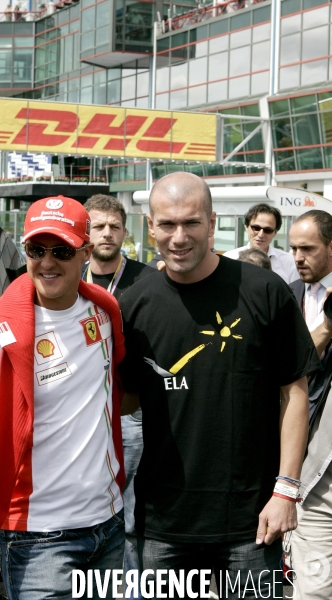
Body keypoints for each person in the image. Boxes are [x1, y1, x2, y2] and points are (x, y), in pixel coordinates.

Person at [119, 172, 320, 599]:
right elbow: (126, 399)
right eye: (167, 224)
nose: (179, 237)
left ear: (212, 224)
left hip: (251, 521)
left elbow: (294, 392)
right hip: (162, 523)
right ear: (149, 225)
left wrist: (286, 488)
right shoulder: (132, 304)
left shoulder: (264, 291)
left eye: (191, 223)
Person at [0, 196, 126, 600]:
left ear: (86, 254)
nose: (47, 262)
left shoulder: (104, 311)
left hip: (111, 526)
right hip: (39, 543)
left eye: (61, 250)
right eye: (36, 250)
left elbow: (113, 394)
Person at [82, 193, 155, 597]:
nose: (107, 234)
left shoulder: (147, 280)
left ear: (126, 232)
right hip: (81, 410)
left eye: (114, 226)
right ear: (86, 233)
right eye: (98, 227)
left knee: (128, 511)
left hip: (131, 412)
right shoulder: (68, 276)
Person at [288, 210, 332, 600]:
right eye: (293, 249)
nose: (298, 257)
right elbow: (289, 368)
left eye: (308, 249)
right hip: (305, 457)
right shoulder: (286, 293)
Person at [224, 202, 299, 283]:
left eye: (268, 230)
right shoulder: (229, 258)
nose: (261, 234)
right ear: (246, 227)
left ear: (275, 233)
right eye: (256, 228)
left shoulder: (289, 262)